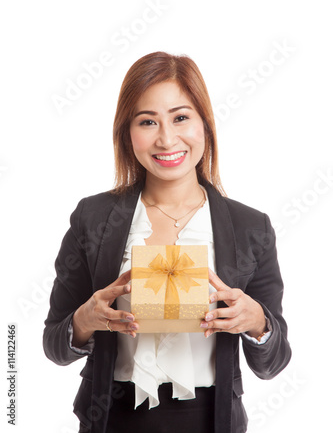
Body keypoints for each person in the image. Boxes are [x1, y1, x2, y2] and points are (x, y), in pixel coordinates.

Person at [43, 51, 291, 433]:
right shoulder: (92, 218)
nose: (166, 138)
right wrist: (86, 318)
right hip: (111, 419)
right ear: (128, 132)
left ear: (205, 125)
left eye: (180, 117)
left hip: (211, 420)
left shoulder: (250, 226)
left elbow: (273, 362)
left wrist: (257, 322)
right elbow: (54, 346)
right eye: (147, 121)